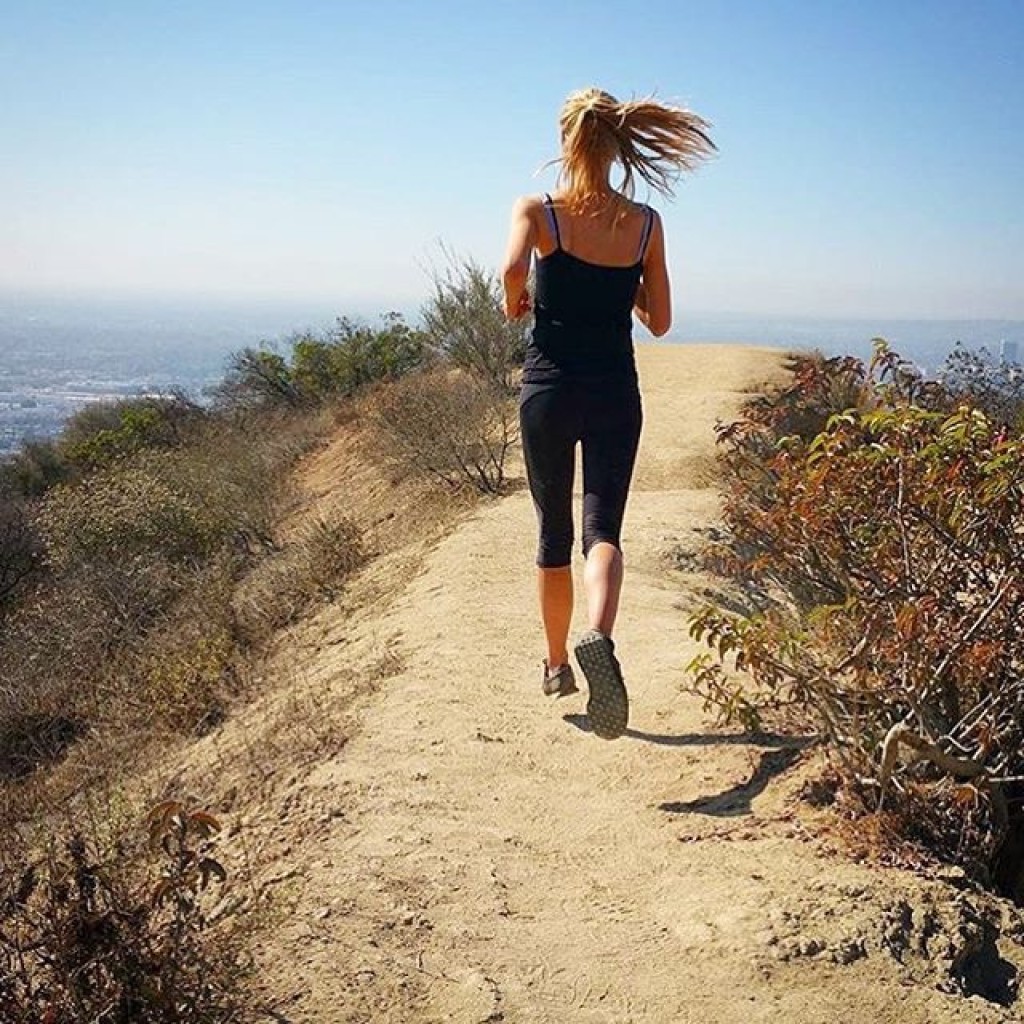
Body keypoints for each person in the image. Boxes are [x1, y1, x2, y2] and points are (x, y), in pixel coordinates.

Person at [501, 87, 715, 740]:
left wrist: (518, 301)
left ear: (566, 141)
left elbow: (510, 272)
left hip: (548, 391)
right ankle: (599, 633)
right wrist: (627, 292)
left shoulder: (540, 212)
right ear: (619, 145)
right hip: (615, 392)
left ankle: (556, 664)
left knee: (552, 532)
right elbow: (661, 320)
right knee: (603, 531)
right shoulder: (645, 224)